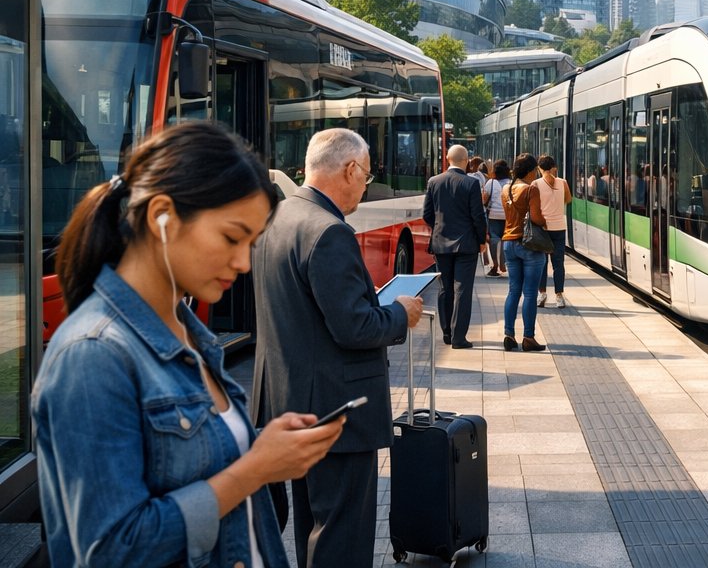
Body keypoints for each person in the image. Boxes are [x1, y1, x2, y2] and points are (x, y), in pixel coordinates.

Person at [33, 121, 343, 568]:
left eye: (250, 243)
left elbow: (184, 461)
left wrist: (260, 446)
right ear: (162, 216)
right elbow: (112, 550)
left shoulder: (187, 332)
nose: (242, 262)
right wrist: (255, 469)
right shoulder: (93, 354)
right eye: (231, 237)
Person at [251, 128, 425, 568]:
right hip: (336, 410)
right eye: (365, 177)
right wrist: (400, 314)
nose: (365, 188)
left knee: (314, 525)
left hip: (289, 399)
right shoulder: (330, 232)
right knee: (341, 535)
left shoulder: (280, 215)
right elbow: (355, 327)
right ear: (349, 169)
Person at [422, 144, 490, 348]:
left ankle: (446, 332)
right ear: (467, 160)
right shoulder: (471, 184)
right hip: (466, 245)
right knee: (462, 289)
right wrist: (481, 240)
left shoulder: (434, 181)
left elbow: (427, 214)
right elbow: (478, 217)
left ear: (446, 158)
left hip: (441, 244)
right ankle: (459, 337)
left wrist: (440, 229)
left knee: (444, 288)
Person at [500, 153, 548, 352]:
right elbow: (536, 218)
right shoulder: (531, 189)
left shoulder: (506, 188)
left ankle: (509, 334)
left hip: (508, 243)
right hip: (529, 244)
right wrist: (545, 223)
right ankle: (528, 337)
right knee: (529, 293)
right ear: (530, 171)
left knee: (513, 291)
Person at [535, 154, 573, 309]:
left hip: (543, 229)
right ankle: (559, 296)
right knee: (558, 264)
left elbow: (535, 206)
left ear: (539, 168)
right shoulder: (563, 182)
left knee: (541, 264)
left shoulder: (536, 183)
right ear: (553, 168)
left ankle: (542, 294)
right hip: (559, 228)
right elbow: (568, 200)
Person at [482, 159, 512, 277]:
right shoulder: (511, 183)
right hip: (507, 216)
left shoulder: (491, 183)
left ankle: (495, 265)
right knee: (506, 239)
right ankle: (503, 264)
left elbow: (484, 199)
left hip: (493, 215)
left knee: (494, 240)